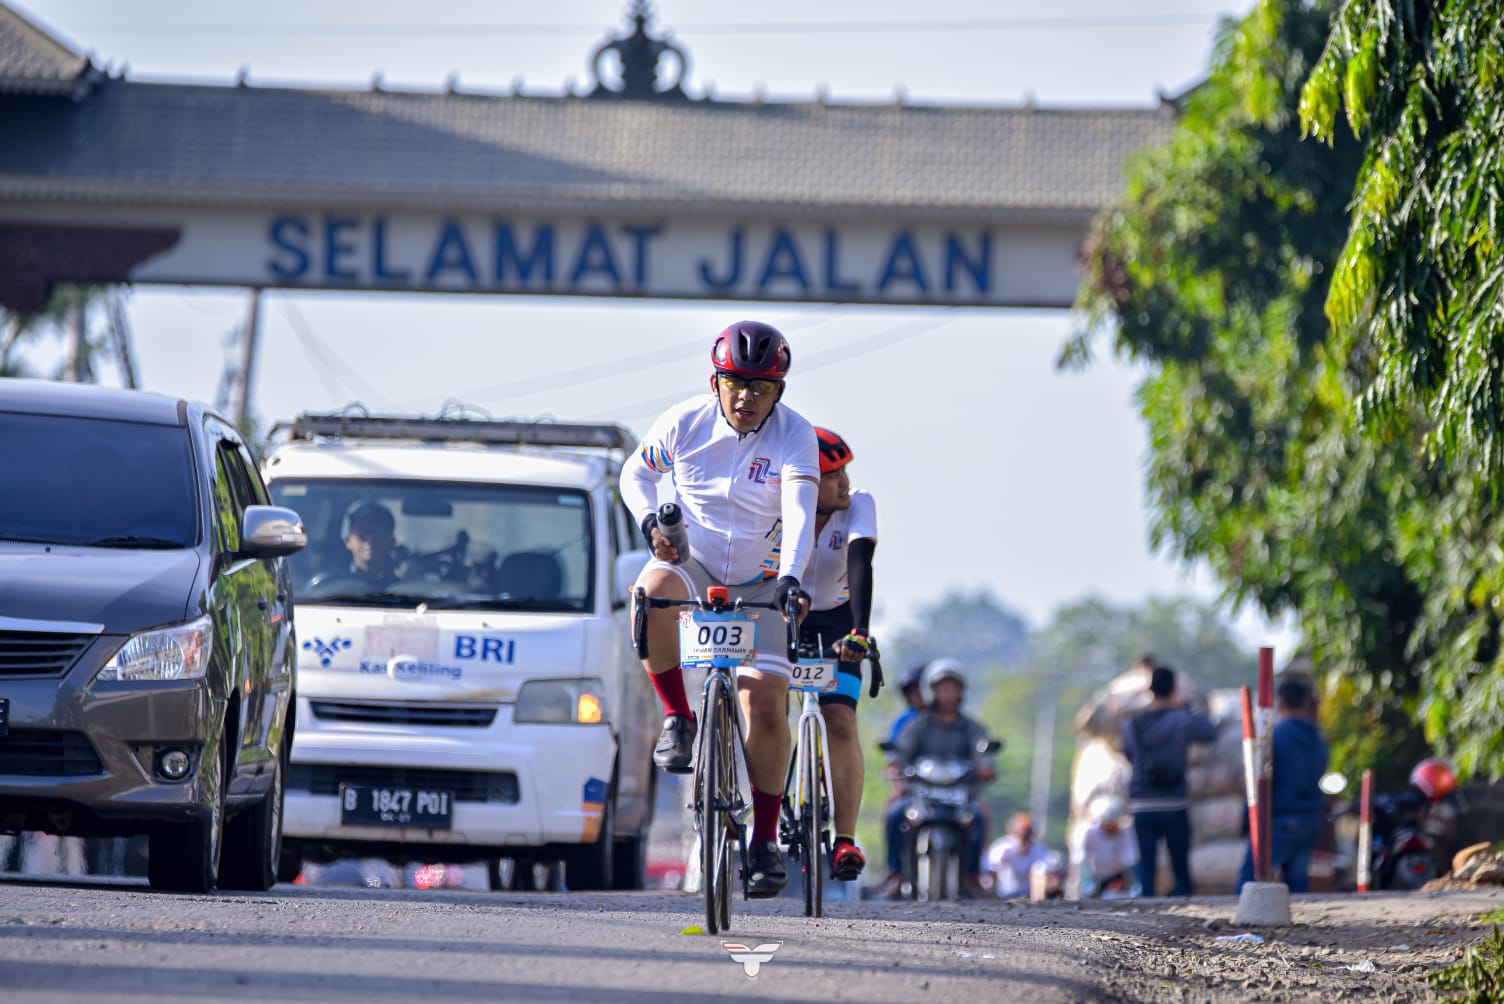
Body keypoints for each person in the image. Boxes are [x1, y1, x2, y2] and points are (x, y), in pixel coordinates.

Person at [619, 320, 820, 899]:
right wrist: (649, 520)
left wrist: (791, 578)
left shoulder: (794, 435)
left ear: (779, 391)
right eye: (736, 383)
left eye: (762, 388)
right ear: (716, 380)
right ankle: (679, 718)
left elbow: (802, 510)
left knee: (766, 704)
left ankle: (763, 840)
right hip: (697, 563)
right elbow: (637, 471)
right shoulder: (684, 422)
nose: (747, 398)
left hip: (763, 578)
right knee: (649, 592)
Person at [796, 427, 878, 881]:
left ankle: (845, 838)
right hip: (784, 614)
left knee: (841, 719)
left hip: (839, 621)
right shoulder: (782, 507)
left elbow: (860, 562)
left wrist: (860, 632)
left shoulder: (859, 504)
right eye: (833, 475)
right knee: (761, 705)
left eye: (846, 470)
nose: (845, 482)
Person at [881, 659, 996, 898]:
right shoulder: (918, 726)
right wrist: (896, 764)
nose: (947, 694)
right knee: (893, 814)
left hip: (959, 795)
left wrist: (985, 766)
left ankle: (972, 874)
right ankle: (895, 873)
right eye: (942, 688)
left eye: (952, 688)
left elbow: (982, 751)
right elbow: (901, 752)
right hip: (921, 794)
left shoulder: (972, 728)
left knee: (979, 816)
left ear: (961, 692)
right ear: (930, 692)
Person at [1121, 664, 1217, 897]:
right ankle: (1183, 910)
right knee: (1180, 865)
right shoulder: (1183, 719)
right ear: (1174, 688)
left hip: (1142, 803)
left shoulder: (1132, 724)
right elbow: (1209, 732)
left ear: (1150, 690)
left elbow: (1128, 753)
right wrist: (1188, 707)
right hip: (1174, 802)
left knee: (1147, 866)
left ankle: (1147, 914)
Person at [1236, 676, 1329, 893]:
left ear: (1280, 702)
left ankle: (1237, 926)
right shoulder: (1318, 738)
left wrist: (1246, 819)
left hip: (1279, 821)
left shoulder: (1275, 737)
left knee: (1249, 883)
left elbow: (1259, 782)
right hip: (1310, 819)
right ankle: (1299, 927)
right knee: (1296, 887)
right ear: (1306, 704)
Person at [1072, 794, 1140, 898]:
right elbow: (1080, 859)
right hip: (1093, 876)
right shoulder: (1086, 832)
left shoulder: (1125, 831)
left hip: (1117, 875)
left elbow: (1130, 860)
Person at [330, 501, 405, 586]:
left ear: (392, 541)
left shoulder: (403, 592)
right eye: (363, 532)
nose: (371, 539)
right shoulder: (330, 587)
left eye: (380, 532)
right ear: (348, 541)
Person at [985, 811, 1049, 899]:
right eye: (1019, 834)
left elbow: (1039, 875)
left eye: (1026, 834)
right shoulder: (1001, 848)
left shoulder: (1038, 850)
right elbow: (992, 871)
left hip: (1026, 895)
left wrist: (1038, 900)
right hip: (1003, 894)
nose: (1023, 838)